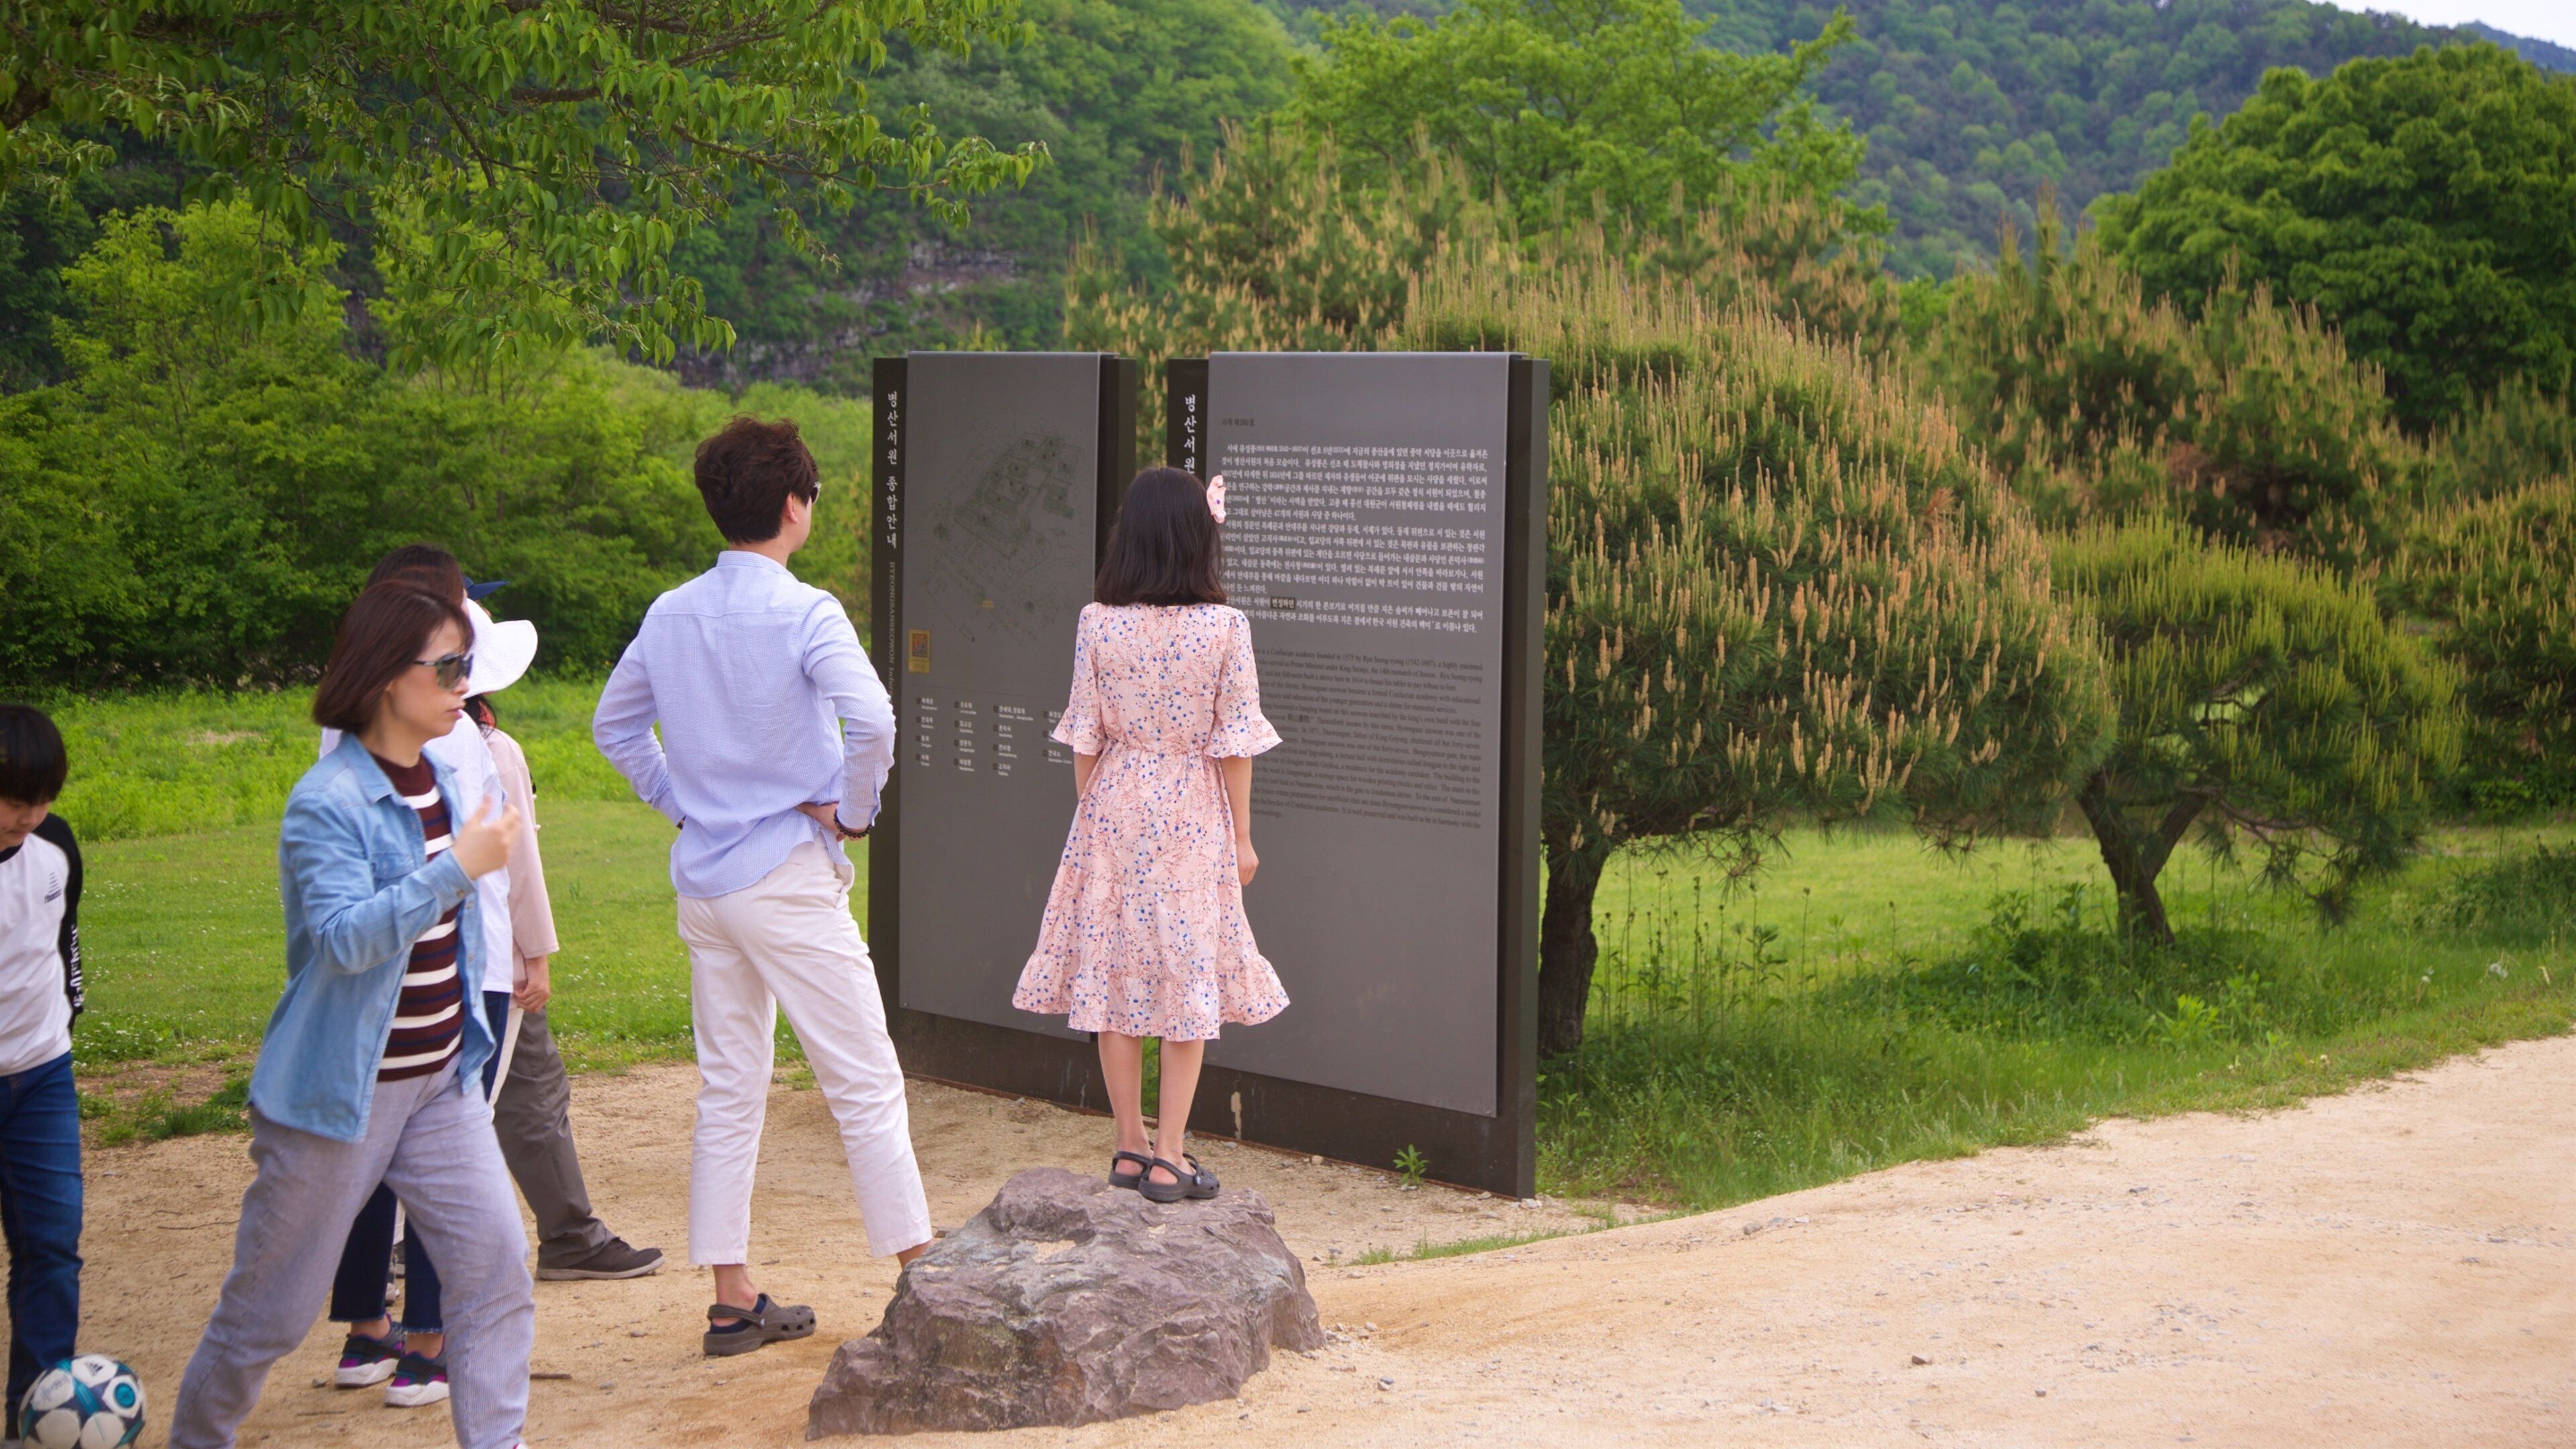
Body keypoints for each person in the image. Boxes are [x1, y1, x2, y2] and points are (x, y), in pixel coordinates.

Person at [593, 414, 930, 1358]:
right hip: (784, 875)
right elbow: (875, 720)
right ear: (794, 505)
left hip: (707, 881)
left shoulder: (671, 612)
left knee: (730, 1087)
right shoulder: (807, 611)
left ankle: (731, 1296)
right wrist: (852, 814)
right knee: (863, 1076)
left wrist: (684, 805)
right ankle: (923, 1271)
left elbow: (614, 727)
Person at [169, 585, 535, 1449]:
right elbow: (340, 941)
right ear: (385, 676)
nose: (465, 682)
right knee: (270, 1315)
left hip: (440, 1083)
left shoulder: (447, 776)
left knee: (496, 1275)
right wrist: (456, 869)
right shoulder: (326, 800)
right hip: (342, 1097)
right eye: (448, 665)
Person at [321, 559, 660, 1409]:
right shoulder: (476, 743)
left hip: (378, 979)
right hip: (462, 971)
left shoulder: (341, 738)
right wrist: (533, 953)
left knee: (376, 1149)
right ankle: (429, 1345)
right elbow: (510, 864)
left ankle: (367, 1329)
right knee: (450, 1157)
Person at [1011, 468, 1287, 1202]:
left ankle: (1129, 1146)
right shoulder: (1225, 628)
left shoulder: (1097, 622)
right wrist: (1243, 839)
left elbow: (1086, 736)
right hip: (1192, 807)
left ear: (1128, 535)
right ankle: (1170, 1155)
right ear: (1198, 537)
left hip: (1114, 801)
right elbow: (1235, 743)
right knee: (1186, 976)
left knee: (1115, 975)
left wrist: (1097, 822)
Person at [0, 706, 83, 1434]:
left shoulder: (55, 846)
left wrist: (67, 1015)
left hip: (42, 1073)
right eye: (14, 800)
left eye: (43, 798)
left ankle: (36, 1415)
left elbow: (63, 941)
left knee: (52, 1246)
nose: (29, 816)